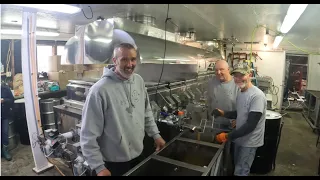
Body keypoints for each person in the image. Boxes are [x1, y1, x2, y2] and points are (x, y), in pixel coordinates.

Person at [80, 43, 166, 176]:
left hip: (138, 154)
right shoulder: (99, 91)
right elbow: (88, 135)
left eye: (133, 59)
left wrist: (156, 135)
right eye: (124, 59)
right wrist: (98, 167)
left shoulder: (139, 81)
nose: (130, 64)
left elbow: (146, 113)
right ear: (115, 61)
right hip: (113, 163)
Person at [212, 63, 267, 176]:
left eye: (241, 75)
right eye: (235, 76)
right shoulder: (242, 92)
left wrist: (227, 136)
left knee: (241, 171)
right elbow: (240, 113)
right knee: (237, 167)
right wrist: (223, 113)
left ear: (250, 75)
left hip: (249, 142)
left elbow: (250, 125)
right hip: (240, 138)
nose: (238, 79)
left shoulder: (257, 96)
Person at [207, 60, 239, 130]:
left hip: (231, 125)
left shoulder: (237, 84)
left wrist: (239, 120)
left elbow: (244, 107)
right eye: (216, 70)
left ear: (228, 70)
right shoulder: (211, 82)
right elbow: (209, 102)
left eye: (221, 69)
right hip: (214, 124)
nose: (218, 72)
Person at [1, 83, 14, 161]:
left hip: (4, 115)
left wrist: (3, 100)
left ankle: (5, 150)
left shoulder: (6, 89)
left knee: (5, 133)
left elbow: (12, 100)